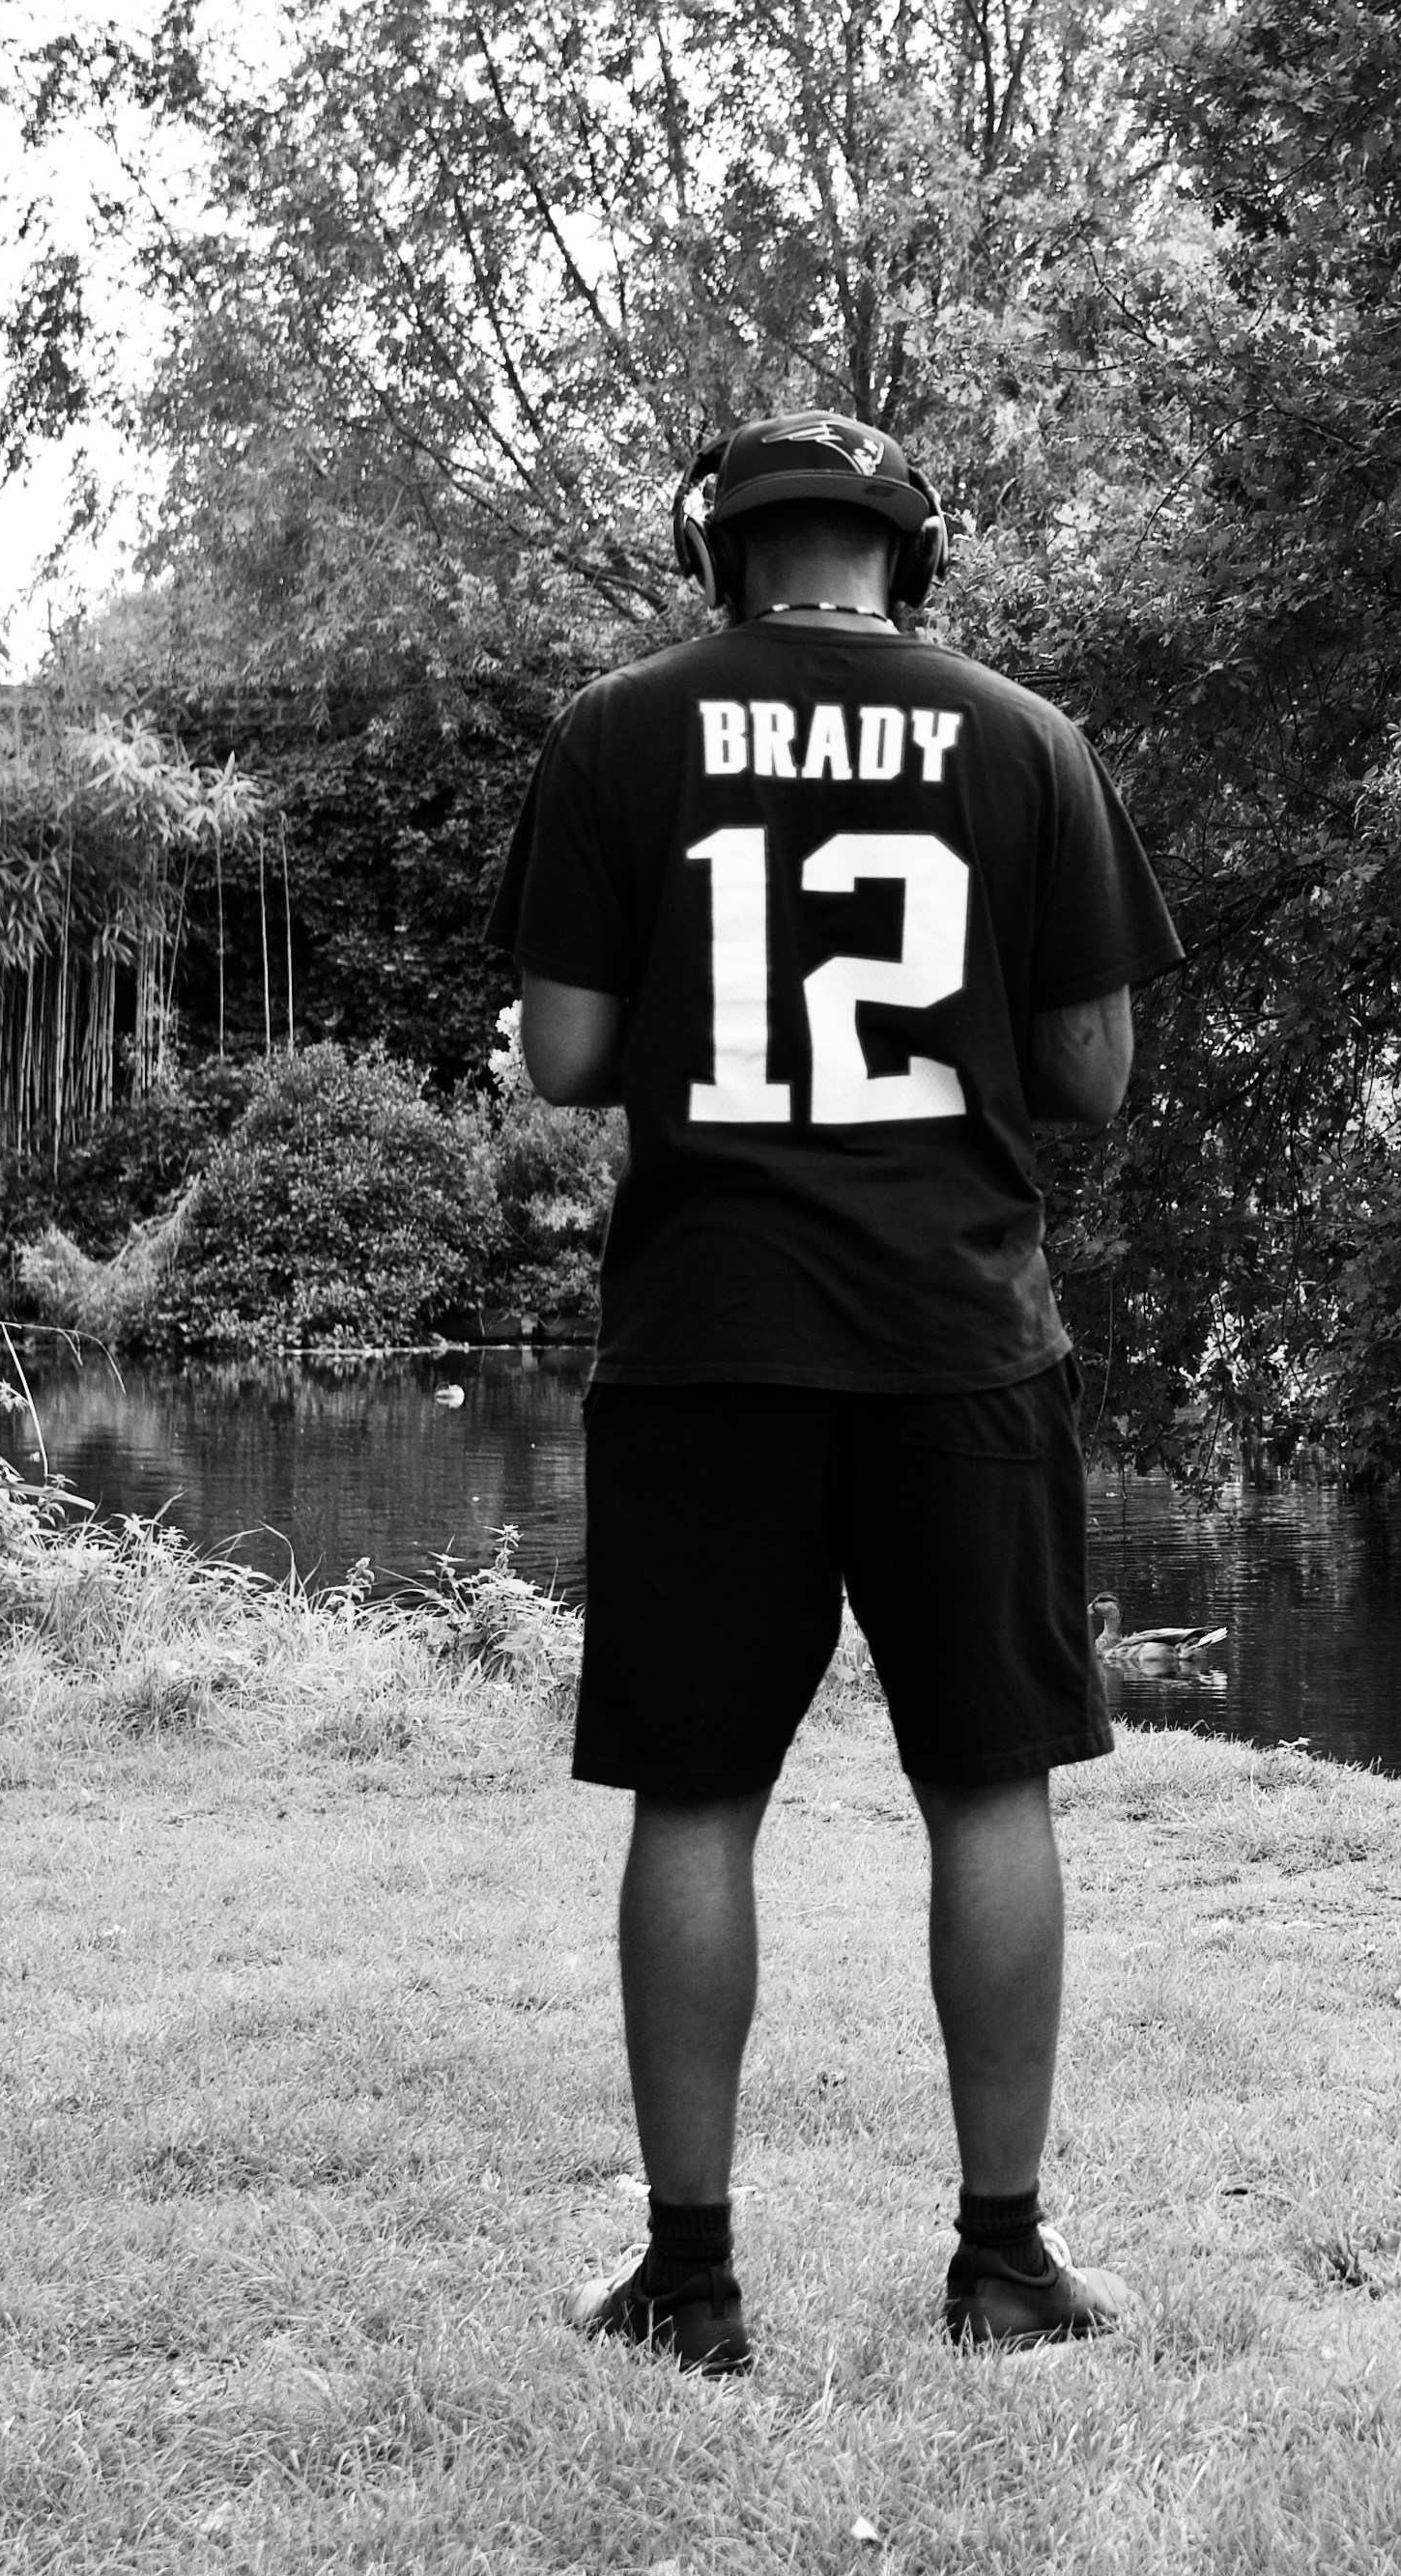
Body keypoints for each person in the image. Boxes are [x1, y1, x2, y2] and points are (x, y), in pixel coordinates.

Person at [489, 409, 1185, 2375]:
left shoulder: (617, 733)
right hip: (958, 1335)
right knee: (989, 1785)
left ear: (717, 551)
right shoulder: (1027, 740)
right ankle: (1005, 2264)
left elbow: (564, 1056)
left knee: (696, 1796)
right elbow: (1094, 1075)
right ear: (910, 551)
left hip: (709, 1334)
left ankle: (688, 2282)